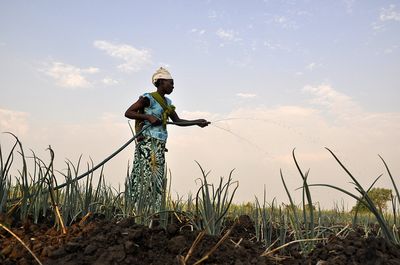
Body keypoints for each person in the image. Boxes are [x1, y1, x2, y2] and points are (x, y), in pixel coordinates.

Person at [125, 67, 209, 210]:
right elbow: (128, 112)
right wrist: (148, 117)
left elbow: (177, 121)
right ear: (161, 82)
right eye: (171, 83)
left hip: (159, 146)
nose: (173, 86)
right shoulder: (148, 98)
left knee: (157, 179)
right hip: (147, 143)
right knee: (144, 176)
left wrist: (196, 122)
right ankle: (136, 209)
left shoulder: (168, 103)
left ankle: (153, 211)